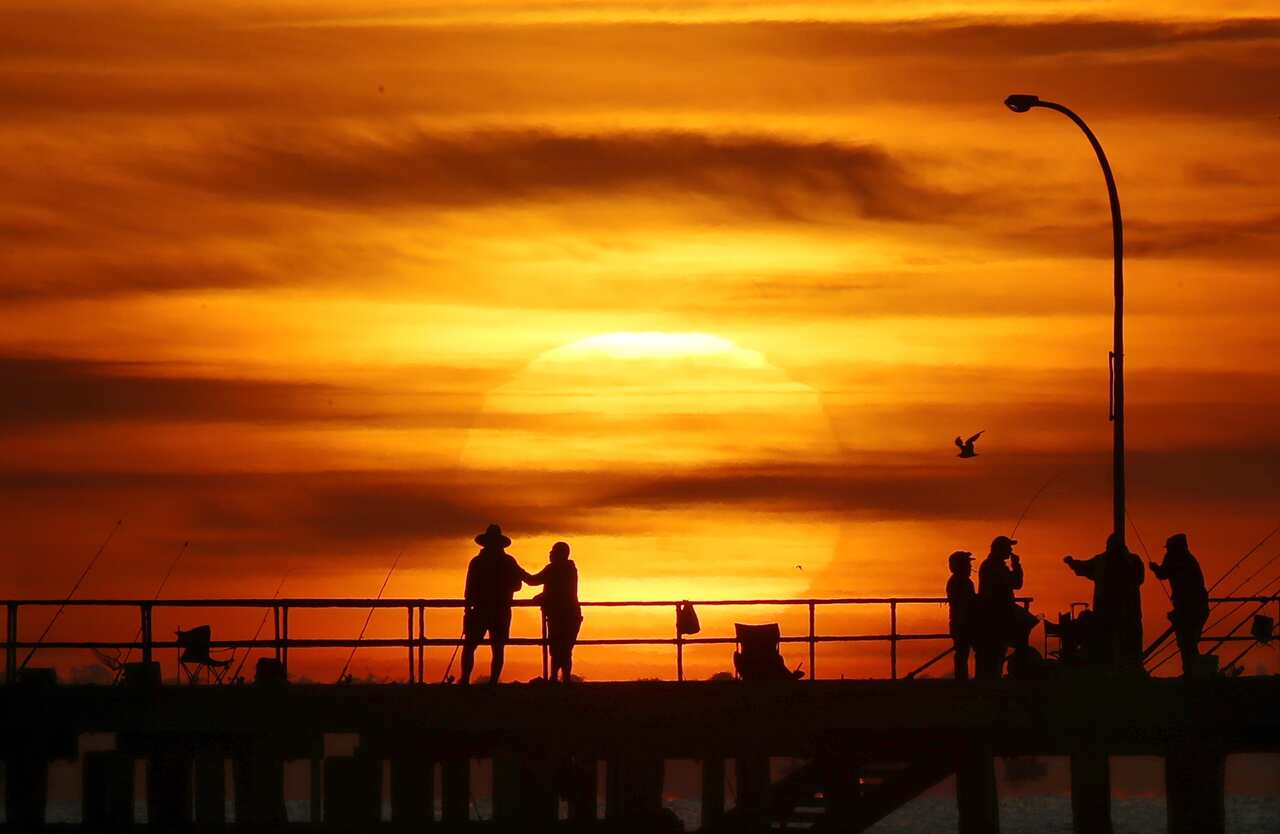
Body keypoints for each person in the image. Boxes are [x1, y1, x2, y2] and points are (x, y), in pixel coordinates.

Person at [1063, 533, 1145, 673]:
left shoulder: (1108, 561)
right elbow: (1085, 566)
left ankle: (1126, 669)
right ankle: (1124, 669)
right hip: (1119, 611)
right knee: (1118, 642)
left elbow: (1084, 567)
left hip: (1118, 611)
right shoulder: (1129, 560)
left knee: (1121, 641)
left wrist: (1072, 563)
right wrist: (1072, 563)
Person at [460, 524, 527, 685]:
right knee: (498, 648)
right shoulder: (508, 561)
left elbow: (469, 588)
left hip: (480, 610)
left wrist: (468, 608)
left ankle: (465, 680)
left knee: (470, 646)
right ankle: (493, 681)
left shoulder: (477, 562)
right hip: (501, 610)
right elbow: (519, 585)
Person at [1149, 533, 1209, 677]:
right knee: (1189, 642)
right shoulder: (1189, 559)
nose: (1167, 552)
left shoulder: (1175, 558)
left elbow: (1163, 574)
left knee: (1186, 641)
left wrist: (1154, 568)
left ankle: (1191, 673)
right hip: (1199, 607)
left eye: (1169, 548)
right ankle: (1192, 672)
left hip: (1188, 608)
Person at [524, 541, 583, 683]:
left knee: (558, 648)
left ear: (559, 554)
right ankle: (562, 679)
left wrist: (518, 572)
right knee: (565, 648)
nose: (550, 553)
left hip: (560, 615)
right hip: (572, 615)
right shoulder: (570, 569)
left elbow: (534, 581)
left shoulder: (554, 569)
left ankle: (555, 678)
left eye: (553, 551)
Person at [975, 535, 1024, 680]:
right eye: (1008, 547)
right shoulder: (995, 566)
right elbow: (1016, 583)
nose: (1010, 550)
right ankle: (990, 682)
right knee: (995, 651)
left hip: (993, 615)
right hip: (996, 616)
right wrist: (1017, 566)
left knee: (993, 652)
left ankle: (989, 680)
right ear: (1000, 549)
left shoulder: (991, 565)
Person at [946, 550, 976, 681]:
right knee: (963, 653)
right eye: (967, 564)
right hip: (963, 623)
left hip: (962, 623)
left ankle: (962, 680)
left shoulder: (957, 581)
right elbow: (967, 603)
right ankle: (962, 680)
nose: (970, 567)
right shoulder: (962, 582)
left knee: (962, 653)